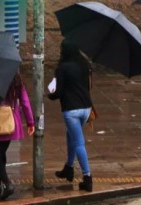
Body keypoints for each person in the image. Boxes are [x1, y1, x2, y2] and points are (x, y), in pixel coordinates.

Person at [49, 39, 94, 192]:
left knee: (79, 142)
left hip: (71, 111)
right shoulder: (85, 64)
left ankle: (87, 177)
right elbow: (88, 86)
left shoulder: (62, 68)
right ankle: (68, 167)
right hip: (86, 108)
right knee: (71, 135)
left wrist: (51, 95)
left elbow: (59, 92)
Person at [0, 71, 35, 201]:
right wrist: (30, 122)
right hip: (11, 121)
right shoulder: (16, 79)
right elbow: (25, 101)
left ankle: (7, 184)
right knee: (0, 153)